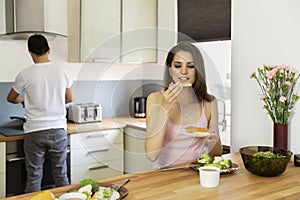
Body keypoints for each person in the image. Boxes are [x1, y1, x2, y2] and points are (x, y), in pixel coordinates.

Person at [7, 34, 74, 192]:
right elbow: (70, 98)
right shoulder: (62, 71)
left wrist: (25, 100)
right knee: (61, 175)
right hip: (58, 130)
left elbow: (10, 98)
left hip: (34, 131)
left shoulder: (25, 74)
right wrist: (53, 101)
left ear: (30, 52)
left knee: (34, 177)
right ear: (49, 50)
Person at [145, 41, 223, 168]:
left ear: (198, 71)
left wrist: (213, 141)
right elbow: (151, 155)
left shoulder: (210, 102)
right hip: (164, 174)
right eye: (177, 66)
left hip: (196, 172)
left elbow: (216, 154)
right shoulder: (155, 99)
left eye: (190, 66)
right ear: (170, 70)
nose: (184, 71)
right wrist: (164, 108)